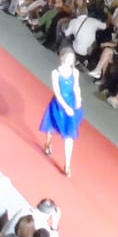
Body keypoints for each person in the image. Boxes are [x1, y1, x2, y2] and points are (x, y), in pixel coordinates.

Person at [39, 44, 83, 178]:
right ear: (62, 58)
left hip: (71, 103)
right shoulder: (56, 73)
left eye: (72, 59)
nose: (70, 61)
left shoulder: (75, 72)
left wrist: (79, 99)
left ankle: (67, 164)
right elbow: (57, 92)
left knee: (69, 134)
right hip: (59, 104)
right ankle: (47, 144)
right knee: (51, 127)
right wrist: (65, 107)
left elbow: (76, 87)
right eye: (68, 58)